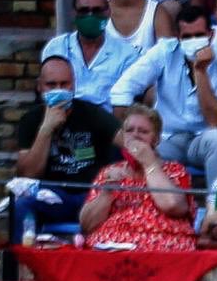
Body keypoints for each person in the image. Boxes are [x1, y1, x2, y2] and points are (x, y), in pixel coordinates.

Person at [109, 5, 217, 186]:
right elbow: (122, 89)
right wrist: (126, 137)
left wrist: (201, 71)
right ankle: (149, 212)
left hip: (206, 138)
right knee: (144, 150)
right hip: (168, 137)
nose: (193, 40)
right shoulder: (164, 51)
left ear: (211, 35)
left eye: (199, 35)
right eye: (187, 37)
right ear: (178, 38)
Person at [13, 57, 124, 231]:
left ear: (74, 85)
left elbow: (126, 139)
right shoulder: (31, 119)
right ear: (40, 86)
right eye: (51, 84)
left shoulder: (92, 113)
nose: (59, 90)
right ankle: (22, 257)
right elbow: (28, 174)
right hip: (54, 196)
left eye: (64, 84)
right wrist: (46, 129)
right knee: (21, 204)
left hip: (89, 194)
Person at [79, 104, 197, 250]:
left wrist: (149, 164)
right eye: (129, 130)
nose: (135, 135)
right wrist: (107, 192)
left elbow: (173, 206)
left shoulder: (174, 170)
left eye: (143, 131)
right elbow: (87, 225)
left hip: (161, 242)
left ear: (156, 140)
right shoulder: (110, 172)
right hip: (113, 242)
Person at [41, 0, 140, 108]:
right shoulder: (56, 48)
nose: (90, 16)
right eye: (84, 11)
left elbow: (125, 102)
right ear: (74, 13)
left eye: (97, 11)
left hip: (107, 123)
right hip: (62, 118)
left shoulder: (127, 55)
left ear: (108, 12)